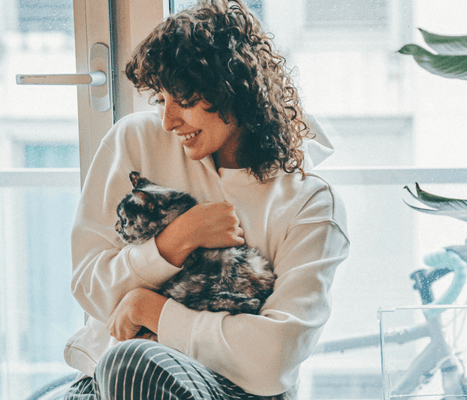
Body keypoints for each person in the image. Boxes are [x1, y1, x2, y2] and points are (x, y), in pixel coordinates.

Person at [63, 0, 349, 399]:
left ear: (234, 89)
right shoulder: (136, 142)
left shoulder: (309, 203)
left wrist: (153, 312)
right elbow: (90, 288)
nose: (168, 121)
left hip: (230, 391)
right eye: (161, 100)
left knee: (131, 362)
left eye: (182, 100)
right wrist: (176, 241)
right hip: (110, 381)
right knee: (123, 364)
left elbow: (272, 359)